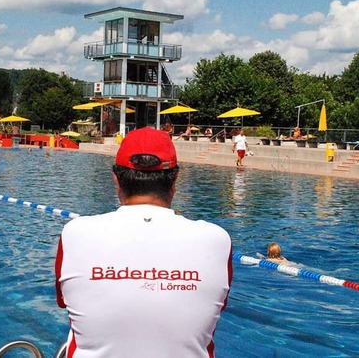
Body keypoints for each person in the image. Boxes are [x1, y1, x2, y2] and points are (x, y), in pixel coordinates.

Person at [55, 127, 232, 357]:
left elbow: (65, 302)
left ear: (116, 179)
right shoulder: (217, 241)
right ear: (175, 178)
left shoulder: (75, 234)